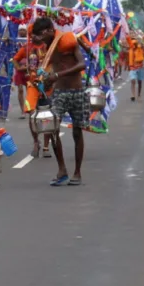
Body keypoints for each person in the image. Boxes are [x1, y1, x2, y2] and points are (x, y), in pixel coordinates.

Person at [31, 18, 88, 186]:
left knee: (77, 132)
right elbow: (54, 70)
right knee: (52, 128)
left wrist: (58, 75)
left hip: (77, 90)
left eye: (41, 35)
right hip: (59, 92)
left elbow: (82, 64)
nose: (40, 40)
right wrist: (47, 81)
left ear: (49, 30)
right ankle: (62, 169)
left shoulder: (67, 40)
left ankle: (77, 172)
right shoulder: (48, 48)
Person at [13, 27, 51, 157]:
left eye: (40, 33)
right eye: (34, 34)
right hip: (32, 85)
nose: (37, 36)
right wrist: (23, 68)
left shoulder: (48, 47)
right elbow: (15, 60)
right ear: (31, 35)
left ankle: (46, 146)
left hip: (47, 86)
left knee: (47, 116)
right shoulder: (27, 48)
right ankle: (36, 142)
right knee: (32, 114)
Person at [13, 25, 29, 118]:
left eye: (24, 30)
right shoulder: (16, 42)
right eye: (21, 30)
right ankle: (22, 111)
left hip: (28, 69)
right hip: (18, 68)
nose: (22, 32)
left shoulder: (29, 42)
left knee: (29, 89)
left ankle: (29, 109)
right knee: (20, 90)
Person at [127, 35, 144, 102]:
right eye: (132, 44)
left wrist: (140, 39)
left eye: (134, 44)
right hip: (133, 68)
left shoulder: (140, 49)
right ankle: (133, 95)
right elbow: (128, 59)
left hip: (140, 67)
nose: (133, 45)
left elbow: (143, 45)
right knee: (133, 80)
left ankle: (139, 95)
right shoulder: (130, 50)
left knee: (140, 82)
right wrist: (127, 66)